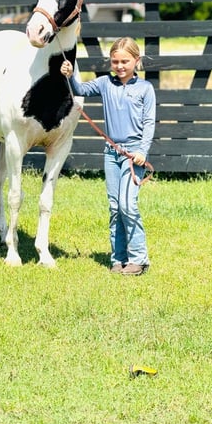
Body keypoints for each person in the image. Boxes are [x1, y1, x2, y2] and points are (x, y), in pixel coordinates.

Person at [60, 37, 156, 276]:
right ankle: (118, 258)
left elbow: (149, 122)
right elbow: (80, 90)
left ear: (136, 61)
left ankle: (139, 259)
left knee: (128, 205)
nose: (120, 66)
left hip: (133, 155)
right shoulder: (104, 83)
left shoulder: (145, 89)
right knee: (115, 207)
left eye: (125, 61)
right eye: (115, 61)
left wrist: (142, 152)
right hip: (111, 153)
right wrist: (70, 74)